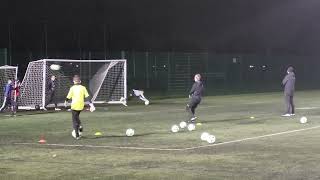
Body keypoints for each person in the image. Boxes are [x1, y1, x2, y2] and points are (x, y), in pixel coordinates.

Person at [64, 75, 95, 140]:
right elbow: (87, 97)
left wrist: (66, 102)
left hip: (74, 105)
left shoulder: (72, 88)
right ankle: (80, 126)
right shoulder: (83, 88)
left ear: (74, 81)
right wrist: (91, 105)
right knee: (77, 116)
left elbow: (69, 96)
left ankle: (77, 135)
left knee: (74, 120)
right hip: (81, 105)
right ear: (80, 81)